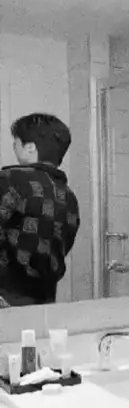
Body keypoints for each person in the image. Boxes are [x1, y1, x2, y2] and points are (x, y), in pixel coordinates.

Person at [0, 113, 80, 306]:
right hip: (44, 299)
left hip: (5, 296)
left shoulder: (9, 179)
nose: (13, 147)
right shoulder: (69, 197)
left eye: (16, 142)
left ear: (30, 147)